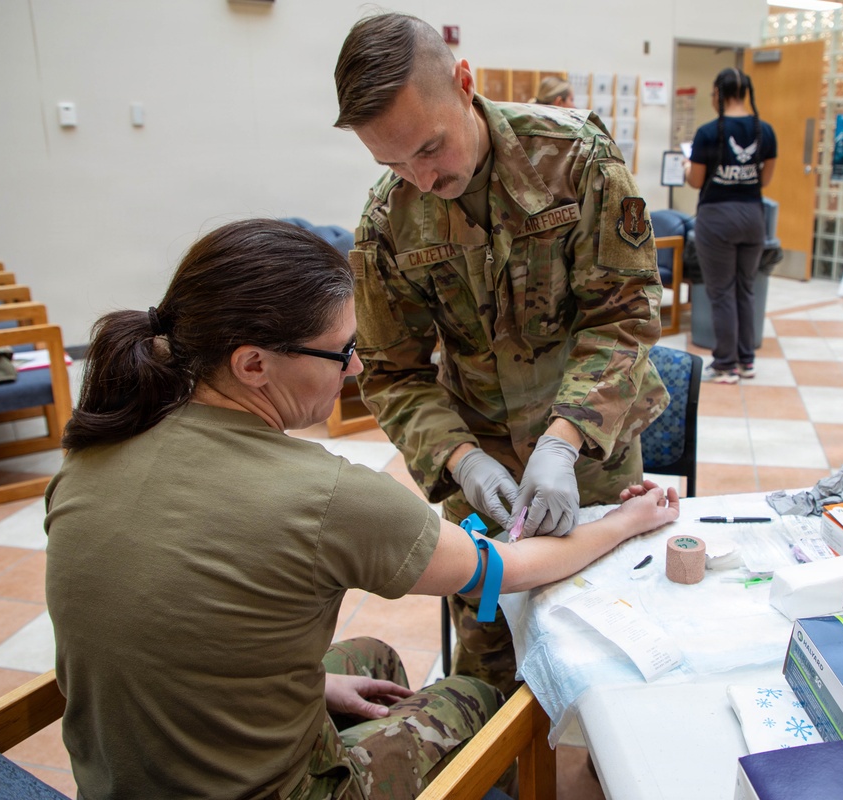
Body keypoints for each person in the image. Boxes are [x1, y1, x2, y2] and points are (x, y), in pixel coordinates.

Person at [44, 218, 681, 800]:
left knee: (372, 657)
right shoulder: (324, 495)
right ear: (253, 363)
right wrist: (630, 518)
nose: (353, 368)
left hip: (124, 775)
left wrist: (315, 689)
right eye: (339, 350)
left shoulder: (95, 448)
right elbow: (506, 570)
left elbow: (168, 631)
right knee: (474, 697)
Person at [333, 12, 666, 697]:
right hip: (479, 467)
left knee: (609, 647)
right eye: (391, 162)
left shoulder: (576, 161)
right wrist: (462, 459)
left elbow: (625, 315)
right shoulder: (387, 221)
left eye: (429, 148)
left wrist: (563, 441)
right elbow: (392, 374)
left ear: (464, 83)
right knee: (490, 660)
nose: (419, 178)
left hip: (593, 458)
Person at [685, 67, 777, 384]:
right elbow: (765, 179)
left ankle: (725, 364)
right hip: (753, 217)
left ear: (718, 95)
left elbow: (696, 181)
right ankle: (746, 360)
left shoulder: (708, 133)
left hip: (717, 218)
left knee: (721, 292)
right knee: (745, 289)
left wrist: (686, 167)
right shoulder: (765, 131)